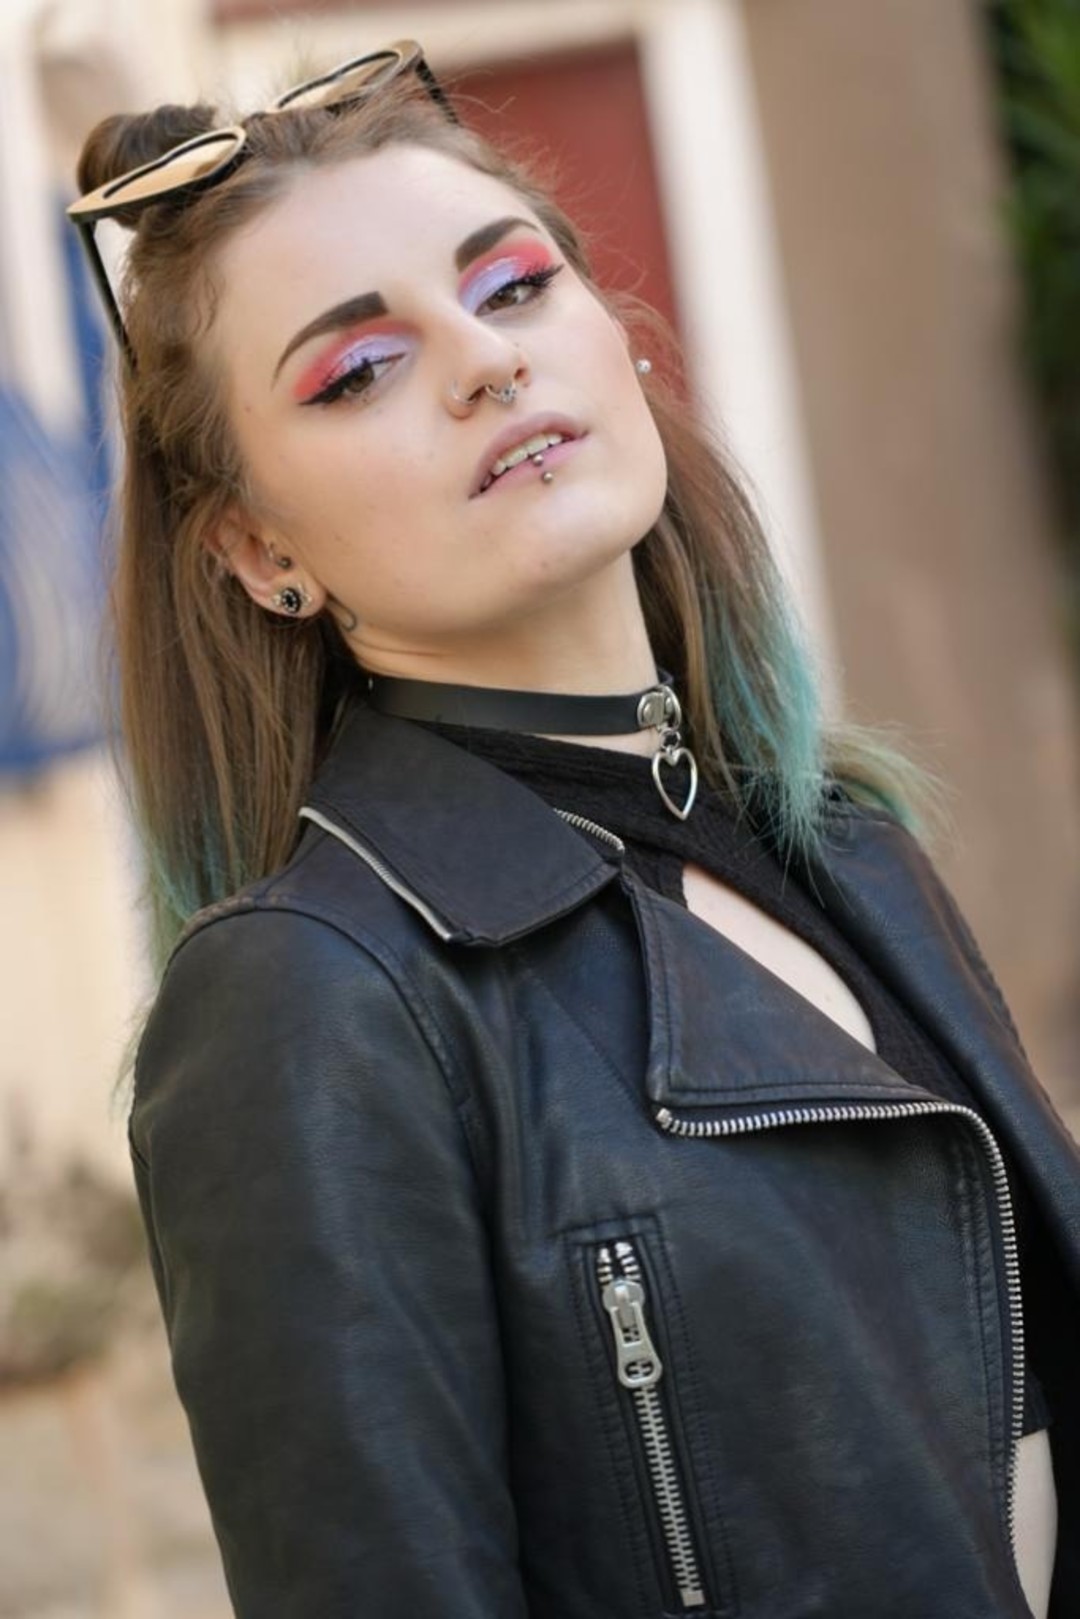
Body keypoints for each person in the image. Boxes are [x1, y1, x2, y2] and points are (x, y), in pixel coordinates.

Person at [69, 41, 1079, 1619]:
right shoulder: (310, 1001)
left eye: (514, 287)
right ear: (259, 550)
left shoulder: (847, 840)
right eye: (358, 370)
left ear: (614, 336)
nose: (485, 361)